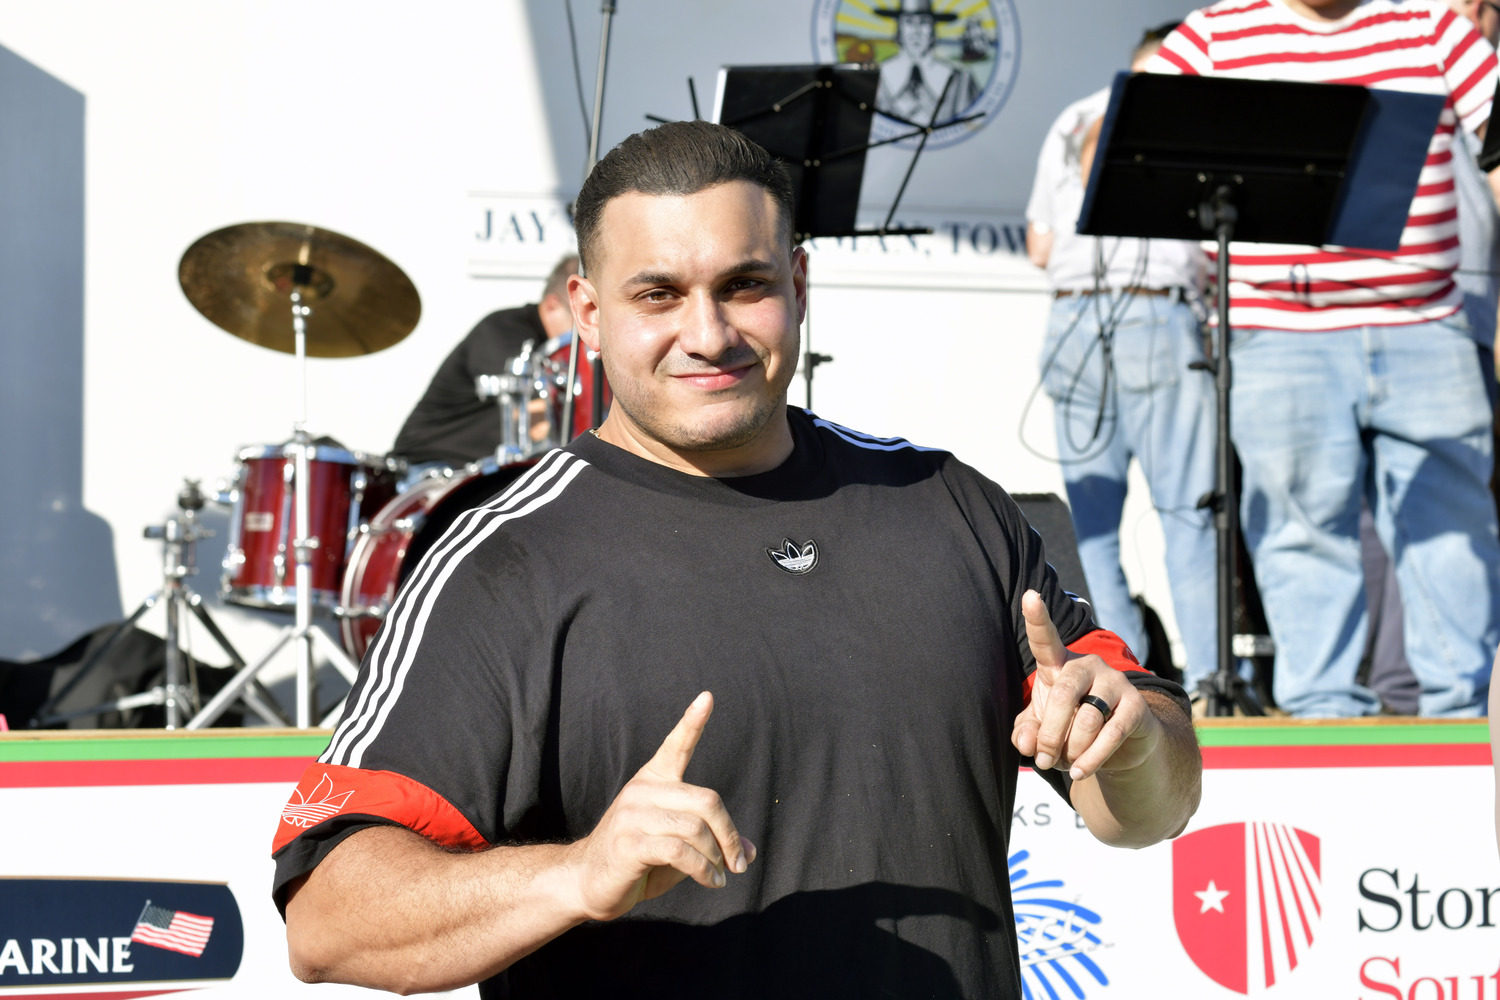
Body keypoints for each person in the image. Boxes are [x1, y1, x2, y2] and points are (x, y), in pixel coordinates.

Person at [270, 120, 1202, 998]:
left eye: (744, 285)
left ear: (799, 280)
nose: (709, 334)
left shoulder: (948, 506)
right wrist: (577, 875)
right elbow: (327, 919)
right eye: (658, 295)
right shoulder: (506, 558)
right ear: (588, 315)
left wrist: (1131, 745)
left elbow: (1151, 805)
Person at [1149, 0, 1500, 717]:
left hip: (1426, 326)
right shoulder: (1216, 32)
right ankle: (1325, 725)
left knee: (1454, 530)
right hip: (1279, 335)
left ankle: (1466, 726)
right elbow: (1137, 142)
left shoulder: (1430, 25)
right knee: (1298, 537)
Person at [1024, 23, 1219, 699]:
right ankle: (1210, 684)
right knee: (1189, 513)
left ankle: (1125, 681)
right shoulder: (1201, 121)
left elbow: (1040, 246)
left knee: (1093, 529)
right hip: (1157, 312)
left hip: (1075, 315)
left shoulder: (1072, 115)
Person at [390, 254, 578, 481]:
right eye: (581, 316)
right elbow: (533, 423)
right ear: (552, 306)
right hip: (430, 468)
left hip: (480, 475)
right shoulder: (503, 330)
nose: (590, 329)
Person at [874, 0, 981, 124]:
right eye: (908, 22)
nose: (916, 31)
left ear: (933, 28)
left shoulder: (962, 82)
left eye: (924, 22)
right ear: (899, 27)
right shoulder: (875, 77)